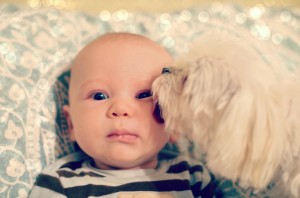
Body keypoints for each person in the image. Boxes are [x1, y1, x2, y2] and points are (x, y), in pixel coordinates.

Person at [29, 32, 216, 197]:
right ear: (71, 125)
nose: (120, 108)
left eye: (144, 95)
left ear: (174, 122)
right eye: (99, 96)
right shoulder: (59, 183)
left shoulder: (193, 176)